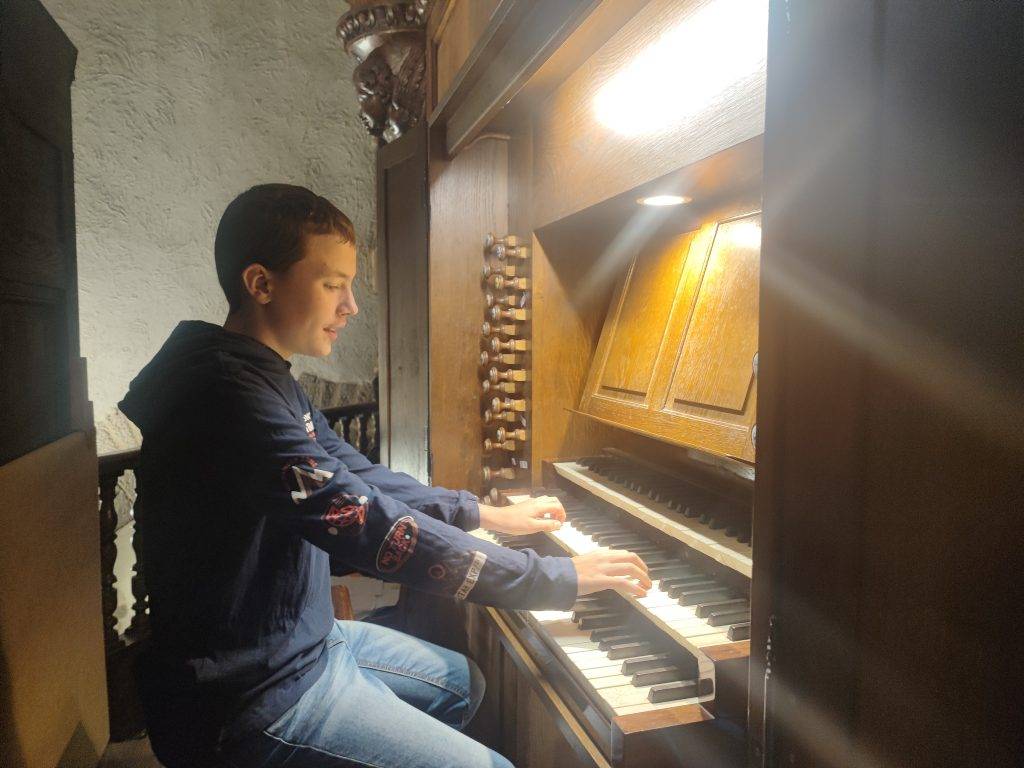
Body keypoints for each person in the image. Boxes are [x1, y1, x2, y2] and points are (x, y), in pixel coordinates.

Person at [119, 183, 650, 767]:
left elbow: (356, 472)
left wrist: (484, 513)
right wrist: (549, 577)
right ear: (261, 284)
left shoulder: (268, 377)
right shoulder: (229, 396)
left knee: (460, 685)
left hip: (307, 641)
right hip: (249, 693)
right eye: (333, 285)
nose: (350, 306)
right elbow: (365, 520)